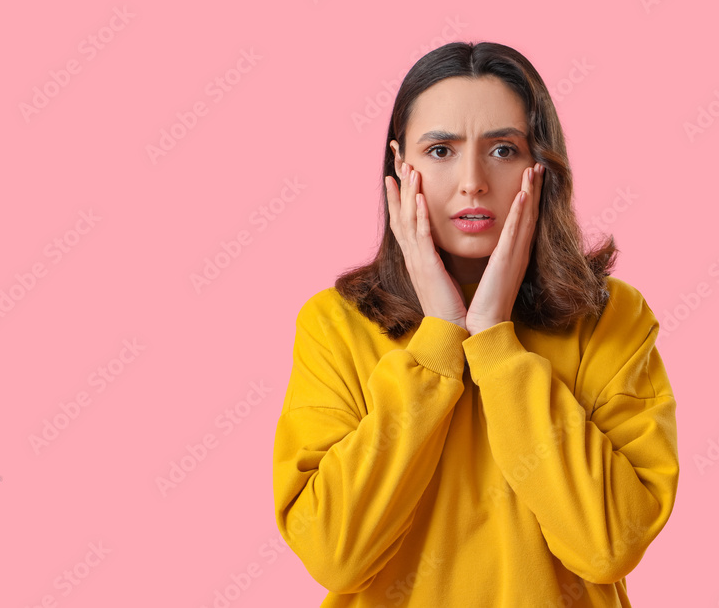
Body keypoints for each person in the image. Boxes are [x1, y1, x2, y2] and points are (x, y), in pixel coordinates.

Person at [272, 41, 679, 607]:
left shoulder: (612, 319)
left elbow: (608, 544)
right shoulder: (335, 324)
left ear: (542, 164)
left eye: (503, 149)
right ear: (399, 165)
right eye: (440, 150)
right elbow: (335, 554)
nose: (472, 181)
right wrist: (441, 337)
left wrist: (493, 343)